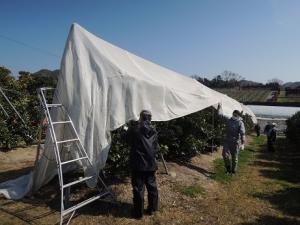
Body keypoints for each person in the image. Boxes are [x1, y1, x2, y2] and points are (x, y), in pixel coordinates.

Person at [126, 110, 159, 219]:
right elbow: (155, 147)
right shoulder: (154, 130)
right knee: (152, 186)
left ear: (141, 117)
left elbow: (126, 140)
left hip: (138, 164)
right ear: (150, 118)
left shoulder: (135, 129)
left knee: (138, 188)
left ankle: (138, 213)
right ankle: (152, 209)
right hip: (151, 163)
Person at [221, 109, 246, 176]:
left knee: (234, 157)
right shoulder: (229, 120)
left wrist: (243, 143)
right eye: (233, 114)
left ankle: (233, 171)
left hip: (235, 142)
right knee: (225, 155)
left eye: (235, 115)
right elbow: (222, 116)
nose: (234, 116)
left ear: (238, 116)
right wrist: (219, 108)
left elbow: (242, 133)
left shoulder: (240, 123)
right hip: (227, 140)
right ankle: (228, 169)